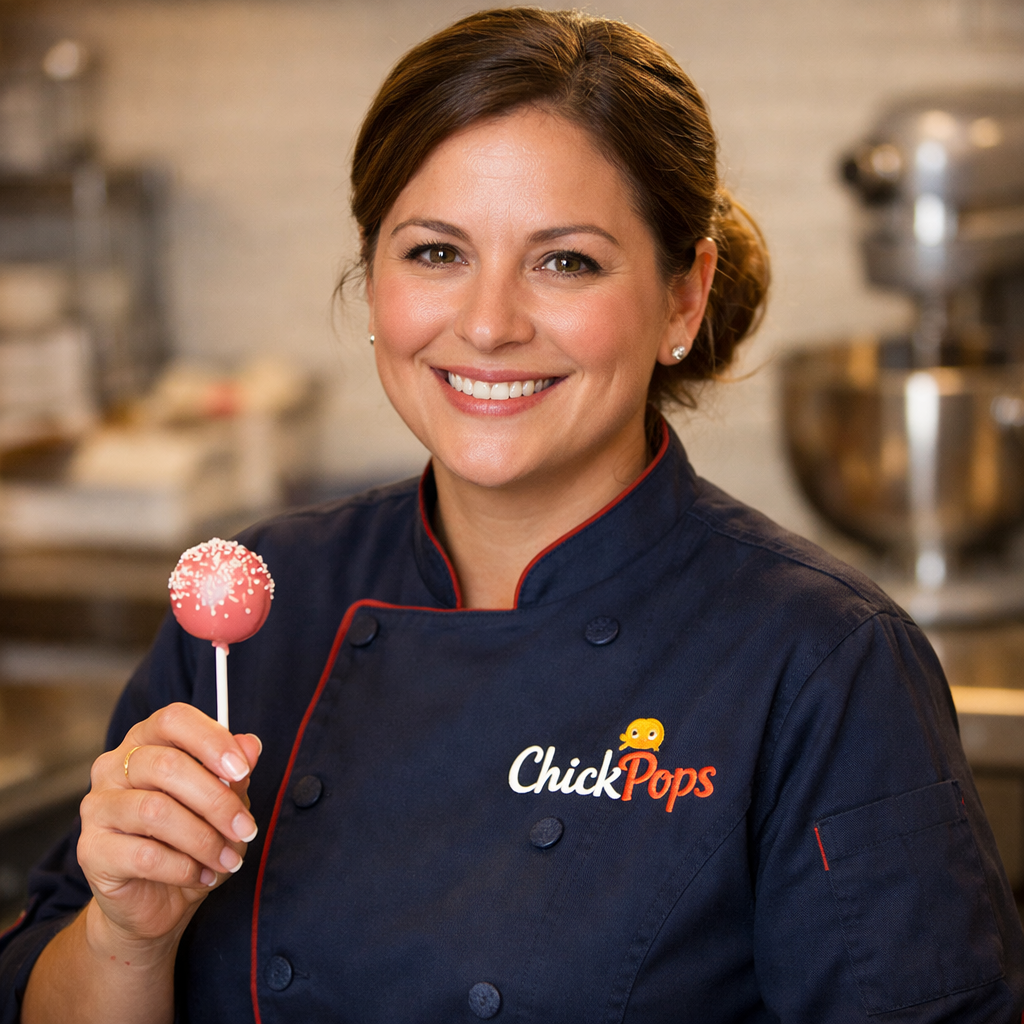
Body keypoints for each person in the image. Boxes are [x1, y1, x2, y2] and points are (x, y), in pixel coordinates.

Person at [3, 8, 1023, 1022]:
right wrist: (125, 935)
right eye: (435, 252)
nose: (488, 323)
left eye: (565, 260)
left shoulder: (821, 659)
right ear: (372, 278)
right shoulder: (261, 599)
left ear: (683, 297)